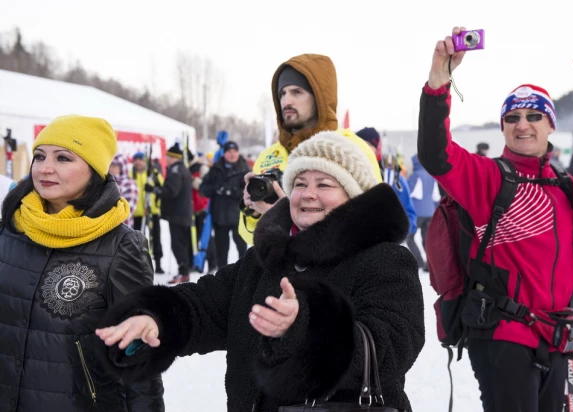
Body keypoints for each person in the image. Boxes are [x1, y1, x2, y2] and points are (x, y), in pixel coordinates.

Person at [95, 132, 425, 412]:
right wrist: (156, 318)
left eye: (324, 183)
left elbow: (392, 347)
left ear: (353, 195)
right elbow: (203, 306)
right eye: (299, 183)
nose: (308, 194)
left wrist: (304, 327)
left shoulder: (383, 259)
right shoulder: (265, 261)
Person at [418, 27, 573, 412]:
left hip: (558, 334)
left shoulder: (567, 185)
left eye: (533, 115)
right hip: (502, 331)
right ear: (503, 126)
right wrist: (439, 81)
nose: (521, 124)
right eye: (512, 117)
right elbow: (435, 153)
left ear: (550, 125)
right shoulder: (489, 177)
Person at [0, 115, 164, 411]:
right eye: (39, 156)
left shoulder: (122, 246)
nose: (45, 168)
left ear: (94, 170)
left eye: (63, 158)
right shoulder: (9, 229)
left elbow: (138, 359)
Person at [238, 53, 382, 244]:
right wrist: (255, 213)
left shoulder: (351, 148)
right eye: (282, 93)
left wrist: (286, 215)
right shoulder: (269, 156)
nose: (287, 101)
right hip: (282, 270)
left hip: (338, 268)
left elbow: (376, 221)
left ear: (319, 97)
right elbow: (249, 236)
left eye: (297, 92)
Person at [355, 126, 417, 240]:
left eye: (367, 146)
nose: (362, 150)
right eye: (357, 145)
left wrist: (392, 235)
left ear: (376, 148)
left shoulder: (393, 178)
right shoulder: (346, 173)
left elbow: (409, 216)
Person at [146, 142, 193, 284]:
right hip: (182, 213)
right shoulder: (182, 168)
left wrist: (155, 190)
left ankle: (183, 272)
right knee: (181, 243)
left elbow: (172, 191)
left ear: (172, 157)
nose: (165, 158)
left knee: (177, 244)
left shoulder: (175, 170)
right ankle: (184, 271)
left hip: (177, 214)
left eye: (167, 155)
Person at [199, 141, 249, 270]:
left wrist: (232, 191)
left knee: (243, 250)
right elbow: (203, 188)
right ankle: (223, 279)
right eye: (229, 151)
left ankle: (244, 275)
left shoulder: (245, 169)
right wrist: (216, 189)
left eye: (234, 151)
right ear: (224, 153)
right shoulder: (216, 169)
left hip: (239, 217)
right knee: (221, 252)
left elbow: (251, 192)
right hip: (219, 217)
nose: (232, 154)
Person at [132, 151, 165, 274]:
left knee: (155, 238)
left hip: (152, 212)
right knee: (137, 240)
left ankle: (158, 263)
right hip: (136, 213)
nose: (138, 162)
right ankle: (139, 264)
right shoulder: (131, 174)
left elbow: (163, 189)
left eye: (140, 159)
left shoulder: (153, 173)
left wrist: (153, 190)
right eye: (136, 159)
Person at [407, 154, 439, 271]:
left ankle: (419, 261)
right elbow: (436, 197)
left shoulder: (415, 176)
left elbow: (409, 193)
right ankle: (430, 264)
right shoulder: (432, 176)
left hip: (417, 212)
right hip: (430, 212)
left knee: (409, 237)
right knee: (427, 240)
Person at [110, 153, 139, 227]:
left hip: (122, 230)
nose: (111, 168)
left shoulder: (129, 184)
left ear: (122, 167)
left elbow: (127, 211)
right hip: (105, 229)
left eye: (115, 166)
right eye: (110, 165)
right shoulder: (105, 182)